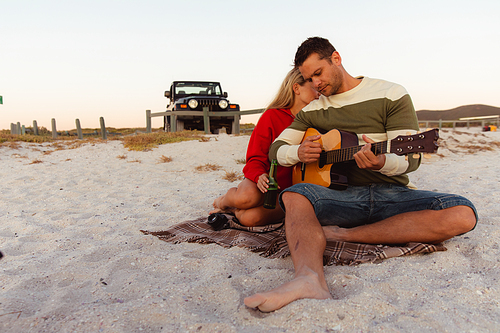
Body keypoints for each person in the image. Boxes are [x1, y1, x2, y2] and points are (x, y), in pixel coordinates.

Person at [244, 37, 478, 312]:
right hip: (339, 198)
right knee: (295, 195)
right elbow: (276, 150)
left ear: (336, 58)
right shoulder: (313, 110)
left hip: (393, 195)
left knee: (463, 213)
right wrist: (299, 153)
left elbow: (411, 159)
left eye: (318, 73)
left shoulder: (391, 93)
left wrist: (381, 162)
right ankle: (309, 279)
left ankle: (346, 235)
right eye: (309, 78)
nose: (316, 84)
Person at [210, 67, 320, 227]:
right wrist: (259, 176)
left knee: (250, 219)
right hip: (263, 182)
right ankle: (224, 201)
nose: (319, 93)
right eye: (314, 88)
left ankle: (235, 211)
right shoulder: (272, 116)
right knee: (246, 198)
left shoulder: (318, 120)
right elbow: (255, 157)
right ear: (296, 88)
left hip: (289, 191)